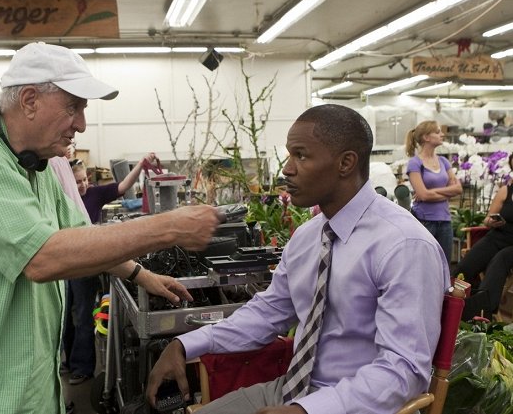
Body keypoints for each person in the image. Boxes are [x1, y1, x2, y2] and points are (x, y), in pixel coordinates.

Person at [0, 42, 220, 414]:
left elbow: (76, 234)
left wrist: (141, 274)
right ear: (29, 100)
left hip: (25, 385)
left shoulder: (34, 165)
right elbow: (43, 257)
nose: (82, 124)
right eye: (74, 106)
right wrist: (168, 227)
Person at [146, 104, 450, 414]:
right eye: (290, 155)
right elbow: (267, 314)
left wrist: (309, 410)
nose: (287, 169)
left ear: (346, 163)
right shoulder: (308, 237)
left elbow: (404, 370)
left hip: (356, 404)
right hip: (292, 389)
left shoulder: (403, 245)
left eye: (301, 156)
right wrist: (185, 344)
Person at [62, 153, 157, 385]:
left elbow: (123, 186)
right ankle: (69, 360)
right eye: (77, 181)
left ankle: (82, 368)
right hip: (65, 263)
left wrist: (140, 165)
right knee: (66, 315)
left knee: (83, 314)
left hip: (85, 264)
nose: (82, 184)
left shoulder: (94, 194)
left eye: (84, 179)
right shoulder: (64, 196)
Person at [453, 152, 513, 315]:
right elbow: (487, 219)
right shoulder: (506, 191)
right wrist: (491, 221)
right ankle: (450, 300)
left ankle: (483, 309)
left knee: (500, 260)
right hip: (497, 236)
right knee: (466, 265)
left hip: (510, 247)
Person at [405, 121, 462, 264]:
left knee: (444, 266)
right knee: (424, 265)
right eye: (437, 132)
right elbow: (423, 195)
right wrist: (446, 192)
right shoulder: (415, 163)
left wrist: (432, 191)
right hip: (425, 221)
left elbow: (458, 189)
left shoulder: (443, 161)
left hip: (445, 221)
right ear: (426, 137)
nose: (442, 134)